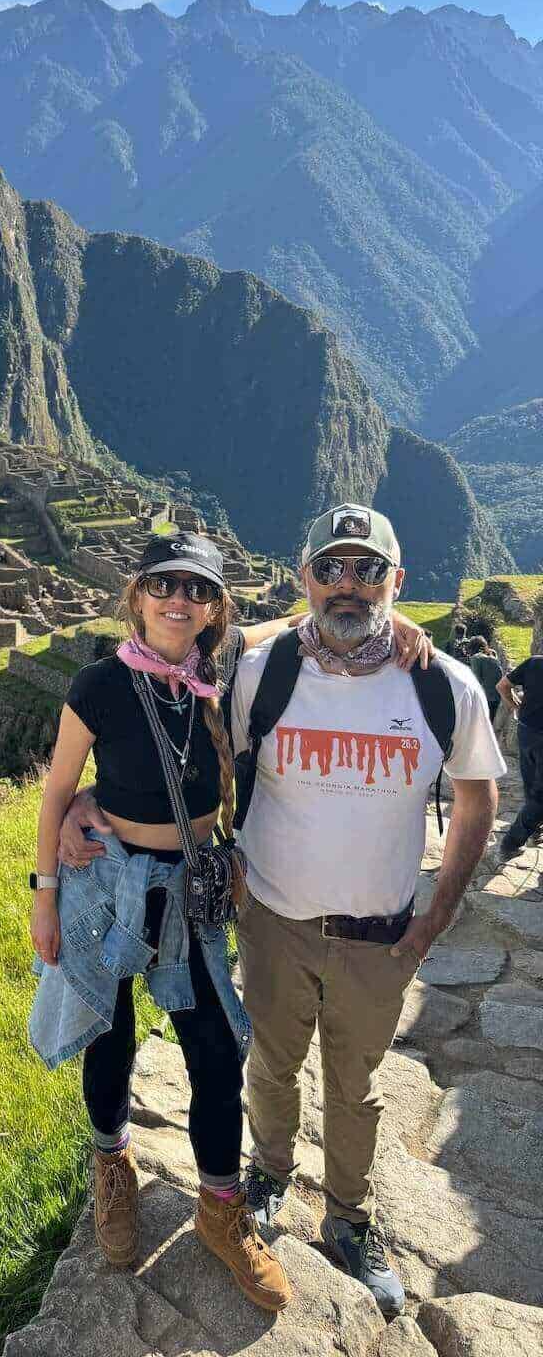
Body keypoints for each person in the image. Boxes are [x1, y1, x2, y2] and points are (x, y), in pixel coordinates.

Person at [228, 505, 502, 1316]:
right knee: (272, 1062)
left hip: (381, 936)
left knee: (357, 1083)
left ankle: (349, 1216)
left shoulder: (442, 685)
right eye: (332, 569)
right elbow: (191, 733)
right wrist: (77, 809)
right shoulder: (263, 672)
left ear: (397, 581)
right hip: (274, 919)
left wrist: (435, 919)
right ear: (304, 576)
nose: (349, 587)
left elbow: (478, 799)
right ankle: (270, 1173)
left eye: (368, 570)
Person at [27, 533, 291, 1311]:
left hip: (190, 888)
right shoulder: (100, 684)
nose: (180, 600)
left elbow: (285, 627)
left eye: (198, 590)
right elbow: (56, 791)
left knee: (214, 1049)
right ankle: (113, 1164)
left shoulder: (218, 671)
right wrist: (43, 894)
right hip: (106, 881)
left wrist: (401, 624)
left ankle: (220, 1209)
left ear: (214, 608)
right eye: (164, 585)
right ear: (137, 595)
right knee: (105, 1035)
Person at [494, 649, 543, 863]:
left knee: (531, 783)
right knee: (540, 796)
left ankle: (534, 830)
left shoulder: (534, 663)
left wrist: (515, 706)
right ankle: (511, 843)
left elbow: (502, 685)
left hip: (526, 731)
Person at [466, 637, 503, 724]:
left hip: (487, 697)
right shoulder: (492, 655)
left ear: (472, 648)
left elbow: (476, 681)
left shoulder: (476, 658)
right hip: (496, 697)